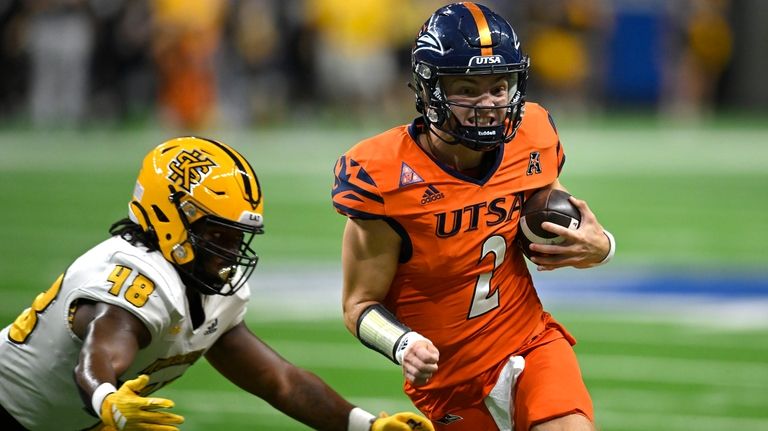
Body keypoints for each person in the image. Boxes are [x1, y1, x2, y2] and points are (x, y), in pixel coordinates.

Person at [0, 137, 434, 431]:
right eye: (219, 235)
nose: (230, 250)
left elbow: (278, 381)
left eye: (237, 237)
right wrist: (107, 398)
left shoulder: (205, 286)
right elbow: (98, 357)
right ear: (170, 217)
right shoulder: (136, 275)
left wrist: (367, 425)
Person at [331, 3, 616, 431]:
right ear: (430, 90)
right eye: (467, 88)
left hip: (530, 341)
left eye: (499, 87)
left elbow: (554, 211)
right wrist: (401, 343)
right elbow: (358, 305)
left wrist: (602, 247)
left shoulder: (533, 135)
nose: (488, 104)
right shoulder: (383, 175)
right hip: (448, 380)